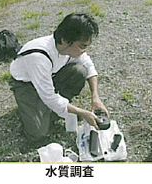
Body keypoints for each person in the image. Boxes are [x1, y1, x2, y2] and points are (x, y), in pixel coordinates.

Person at [9, 13, 107, 143]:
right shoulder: (39, 57)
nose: (84, 50)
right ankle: (30, 108)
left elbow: (88, 66)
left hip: (50, 76)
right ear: (65, 41)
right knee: (38, 134)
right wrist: (82, 112)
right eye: (82, 46)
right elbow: (49, 96)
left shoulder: (66, 47)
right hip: (26, 84)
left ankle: (53, 110)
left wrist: (96, 98)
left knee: (79, 71)